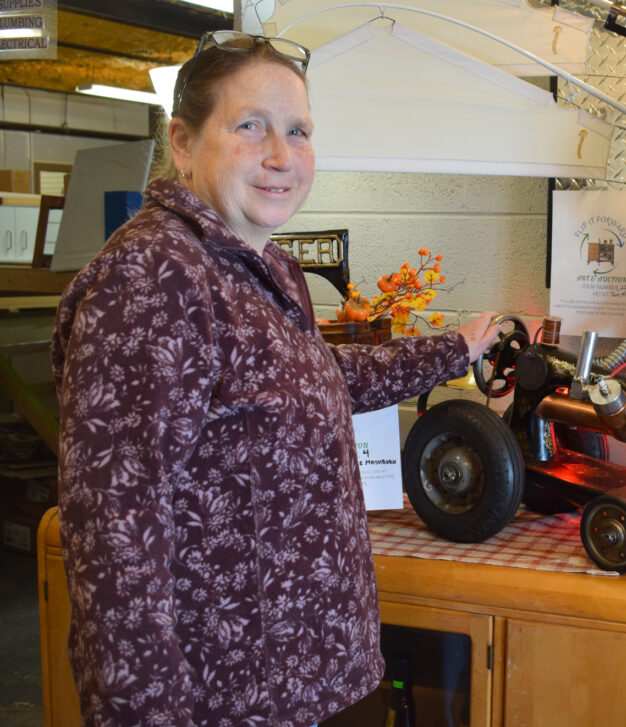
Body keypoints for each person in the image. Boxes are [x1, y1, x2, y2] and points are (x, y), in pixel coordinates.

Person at [51, 30, 499, 726]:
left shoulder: (264, 265)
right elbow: (116, 533)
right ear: (182, 142)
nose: (281, 155)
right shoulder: (155, 277)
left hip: (315, 674)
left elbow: (317, 378)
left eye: (298, 130)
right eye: (250, 126)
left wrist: (455, 349)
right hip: (234, 698)